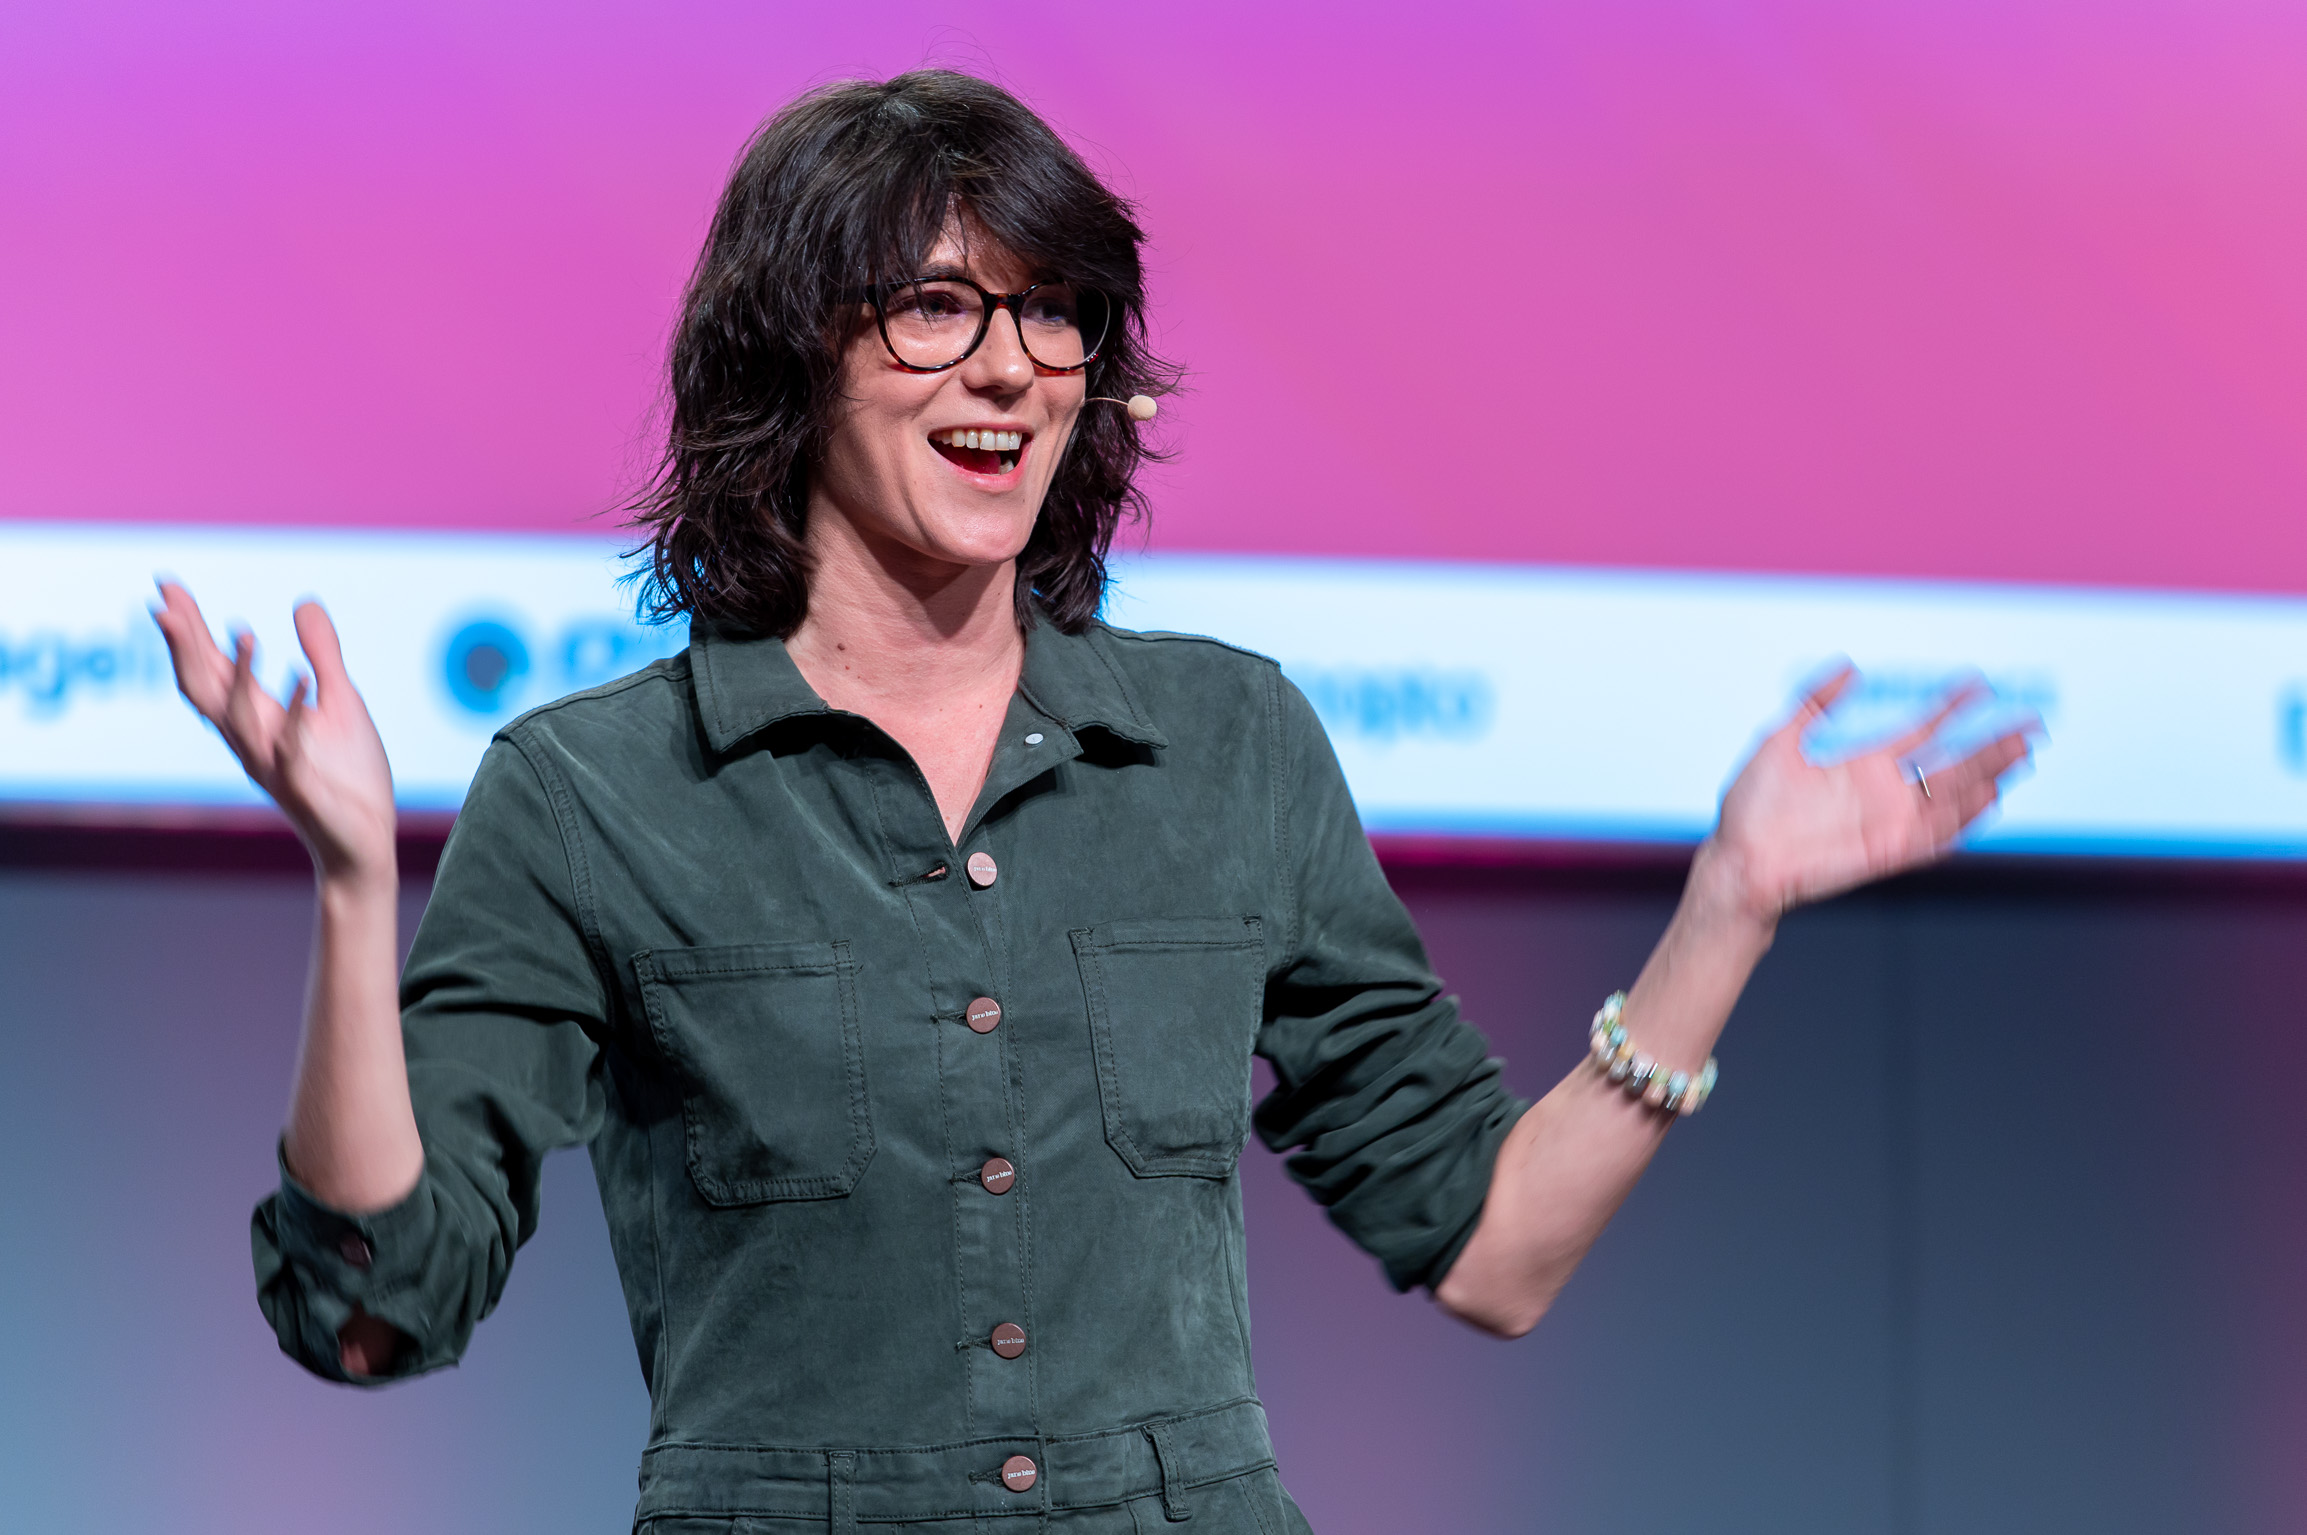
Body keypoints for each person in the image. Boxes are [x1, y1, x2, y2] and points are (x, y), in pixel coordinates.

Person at [151, 69, 2031, 1535]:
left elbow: (1497, 1248)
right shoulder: (595, 792)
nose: (1009, 367)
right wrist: (350, 887)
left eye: (1054, 316)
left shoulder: (1229, 745)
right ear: (788, 360)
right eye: (935, 307)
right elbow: (376, 1309)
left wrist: (1728, 914)